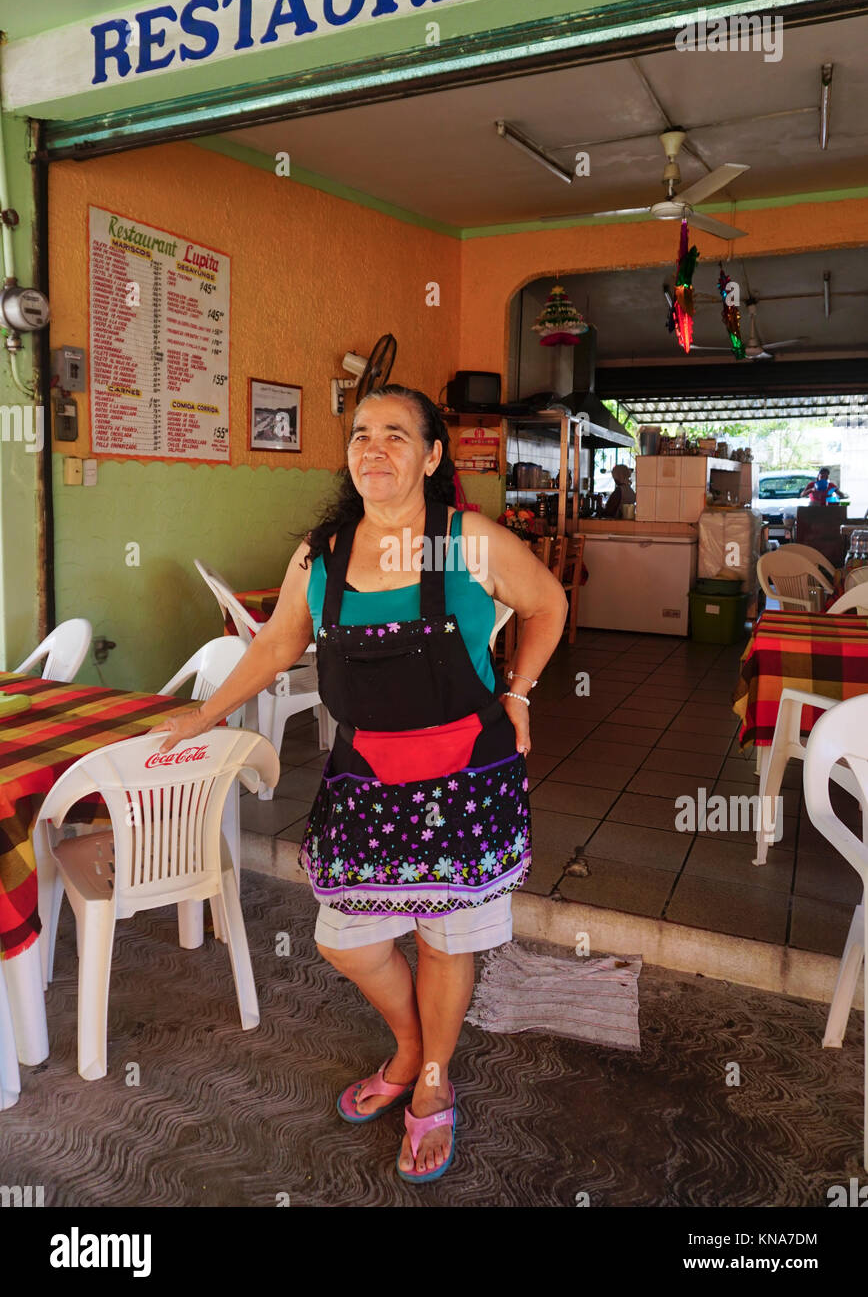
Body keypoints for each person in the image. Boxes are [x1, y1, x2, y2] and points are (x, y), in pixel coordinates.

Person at [155, 385, 567, 1182]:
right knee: (347, 937)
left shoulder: (462, 542)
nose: (374, 449)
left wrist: (518, 693)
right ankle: (410, 1045)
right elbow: (278, 646)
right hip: (367, 777)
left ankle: (434, 1078)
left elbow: (546, 603)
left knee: (446, 938)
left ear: (432, 455)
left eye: (396, 436)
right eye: (361, 435)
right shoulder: (325, 553)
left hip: (465, 777)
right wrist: (203, 717)